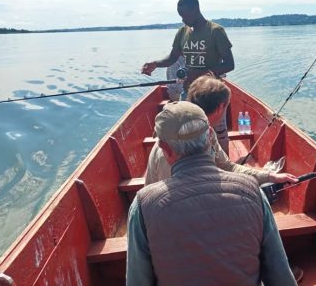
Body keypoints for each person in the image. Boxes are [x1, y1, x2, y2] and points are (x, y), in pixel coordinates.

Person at [126, 101, 297, 286]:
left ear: (164, 148)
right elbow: (280, 276)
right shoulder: (253, 192)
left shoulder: (143, 205)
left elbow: (137, 281)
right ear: (209, 136)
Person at [144, 75, 298, 187]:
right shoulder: (168, 153)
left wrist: (269, 176)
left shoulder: (207, 134)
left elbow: (227, 166)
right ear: (220, 108)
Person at [141, 0, 234, 151]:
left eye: (185, 15)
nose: (183, 20)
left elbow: (230, 64)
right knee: (189, 133)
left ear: (196, 9)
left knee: (219, 133)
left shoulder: (216, 31)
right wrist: (155, 64)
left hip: (213, 94)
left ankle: (223, 168)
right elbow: (172, 58)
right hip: (189, 92)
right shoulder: (182, 33)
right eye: (180, 16)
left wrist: (202, 73)